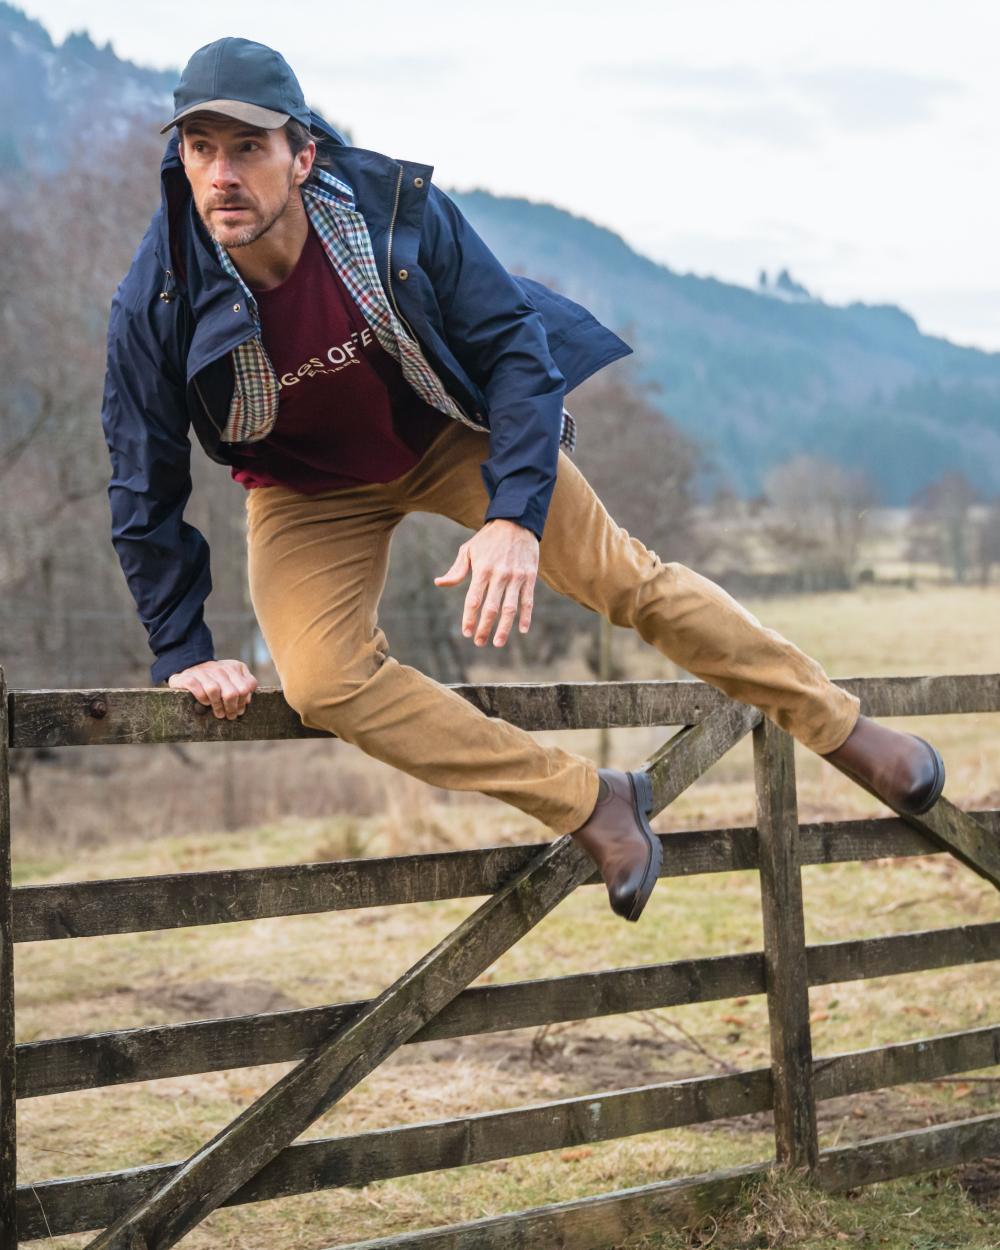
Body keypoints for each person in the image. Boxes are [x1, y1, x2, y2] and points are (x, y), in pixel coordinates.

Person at [101, 37, 946, 924]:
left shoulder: (395, 216)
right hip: (305, 487)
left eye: (248, 147)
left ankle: (846, 730)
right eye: (201, 148)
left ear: (303, 155)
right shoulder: (156, 298)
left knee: (625, 579)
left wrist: (514, 511)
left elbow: (515, 347)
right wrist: (185, 653)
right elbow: (142, 478)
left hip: (450, 429)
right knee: (321, 685)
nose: (222, 174)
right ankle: (592, 803)